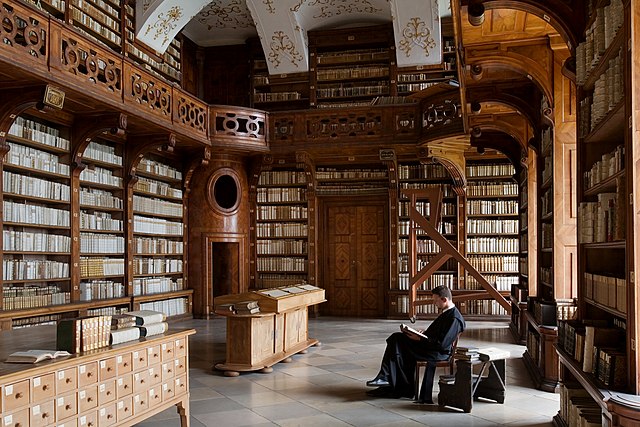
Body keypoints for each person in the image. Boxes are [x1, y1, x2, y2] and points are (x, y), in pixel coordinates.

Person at [366, 285, 465, 400]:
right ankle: (390, 382)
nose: (434, 303)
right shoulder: (447, 313)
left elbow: (441, 344)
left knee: (397, 341)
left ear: (444, 299)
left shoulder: (454, 318)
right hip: (430, 347)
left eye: (435, 300)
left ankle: (389, 381)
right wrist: (423, 334)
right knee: (397, 340)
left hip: (437, 353)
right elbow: (438, 334)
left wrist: (419, 338)